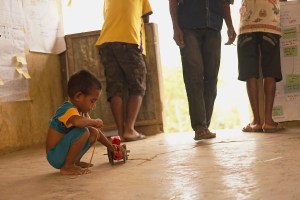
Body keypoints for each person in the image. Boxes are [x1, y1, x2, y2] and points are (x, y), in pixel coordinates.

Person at [169, 0, 236, 140]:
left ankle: (205, 124)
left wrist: (230, 26)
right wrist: (175, 27)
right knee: (194, 76)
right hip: (188, 27)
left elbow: (224, 2)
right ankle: (199, 127)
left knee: (211, 78)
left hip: (214, 26)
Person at [96, 0, 153, 142]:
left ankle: (121, 132)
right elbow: (146, 17)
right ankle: (129, 129)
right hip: (127, 39)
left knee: (115, 88)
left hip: (106, 42)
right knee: (138, 84)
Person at [46, 70, 119, 175]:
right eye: (92, 101)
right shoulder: (67, 109)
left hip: (62, 153)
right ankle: (68, 166)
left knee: (93, 132)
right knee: (83, 131)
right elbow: (78, 123)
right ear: (78, 96)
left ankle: (75, 162)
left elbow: (97, 133)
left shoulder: (82, 113)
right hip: (55, 155)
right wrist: (94, 121)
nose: (94, 106)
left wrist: (110, 145)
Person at [238, 0, 285, 133]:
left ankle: (256, 122)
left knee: (250, 73)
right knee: (270, 71)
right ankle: (268, 121)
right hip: (270, 22)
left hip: (247, 22)